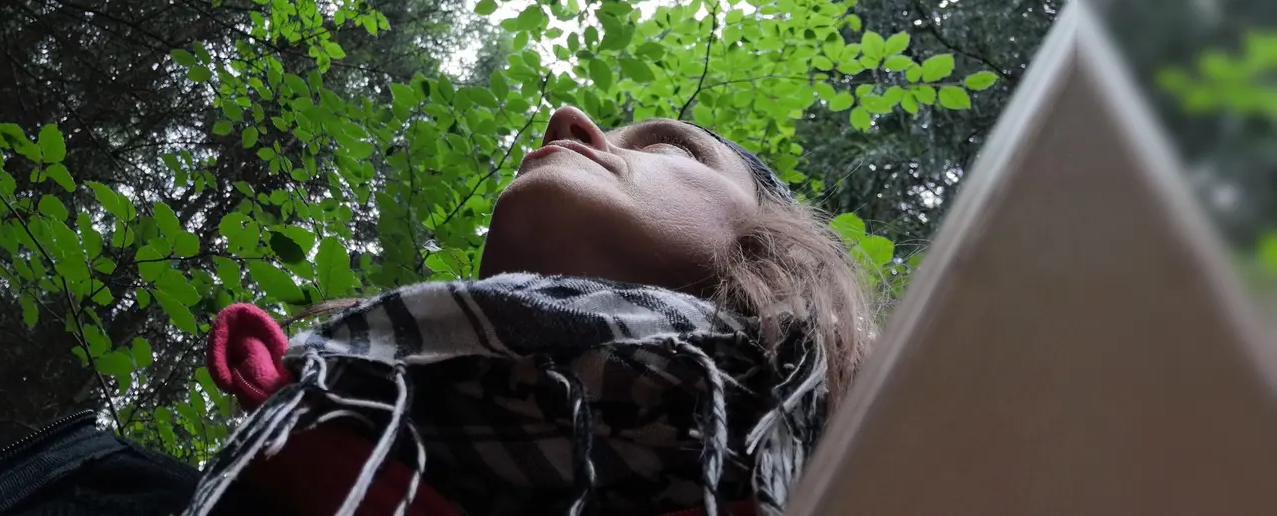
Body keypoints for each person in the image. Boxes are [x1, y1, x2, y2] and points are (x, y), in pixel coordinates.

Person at [192, 105, 873, 516]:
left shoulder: (888, 468)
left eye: (665, 145)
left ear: (778, 249)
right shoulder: (141, 484)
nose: (567, 120)